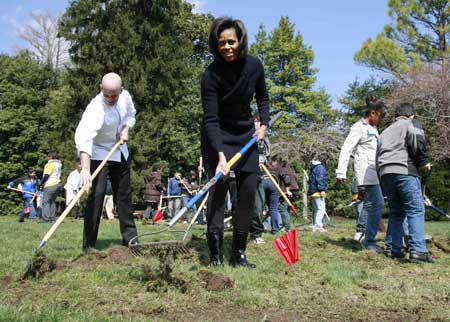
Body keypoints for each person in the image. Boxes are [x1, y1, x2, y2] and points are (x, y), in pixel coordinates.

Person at [201, 17, 270, 268]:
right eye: (221, 43)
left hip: (245, 136)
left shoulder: (254, 66)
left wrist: (263, 125)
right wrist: (220, 156)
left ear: (240, 41)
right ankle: (215, 254)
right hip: (217, 136)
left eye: (231, 41)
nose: (227, 47)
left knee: (249, 191)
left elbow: (263, 98)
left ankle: (238, 253)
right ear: (215, 45)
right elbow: (210, 119)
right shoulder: (210, 75)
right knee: (218, 194)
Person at [75, 72, 138, 254]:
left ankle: (131, 241)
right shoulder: (95, 109)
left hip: (119, 151)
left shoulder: (125, 98)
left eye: (114, 95)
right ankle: (89, 246)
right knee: (97, 195)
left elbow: (130, 116)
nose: (110, 98)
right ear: (101, 89)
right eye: (106, 94)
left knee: (124, 196)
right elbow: (84, 138)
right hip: (98, 152)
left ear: (121, 90)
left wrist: (126, 129)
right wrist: (85, 169)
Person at [376, 103, 433, 263]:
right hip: (404, 170)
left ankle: (393, 248)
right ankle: (418, 250)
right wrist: (423, 162)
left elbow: (377, 156)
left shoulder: (384, 132)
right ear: (412, 115)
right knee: (416, 209)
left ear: (396, 116)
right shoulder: (411, 124)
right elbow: (418, 142)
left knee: (396, 212)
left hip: (385, 173)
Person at [336, 96, 385, 252]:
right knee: (377, 204)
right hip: (365, 174)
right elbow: (346, 149)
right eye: (381, 115)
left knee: (371, 205)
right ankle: (369, 241)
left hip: (375, 172)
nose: (382, 119)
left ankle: (364, 236)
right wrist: (341, 172)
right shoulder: (358, 127)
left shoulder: (374, 129)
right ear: (372, 113)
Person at [40, 151, 63, 223]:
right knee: (52, 202)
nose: (47, 158)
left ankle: (46, 218)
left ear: (51, 157)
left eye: (48, 156)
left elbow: (46, 175)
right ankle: (52, 218)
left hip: (50, 184)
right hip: (57, 183)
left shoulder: (50, 164)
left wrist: (41, 183)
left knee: (46, 202)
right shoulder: (59, 164)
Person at [308, 155, 328, 232]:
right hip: (318, 192)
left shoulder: (314, 167)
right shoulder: (320, 168)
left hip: (313, 191)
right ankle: (318, 225)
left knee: (316, 209)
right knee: (321, 209)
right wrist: (322, 189)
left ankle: (315, 225)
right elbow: (320, 179)